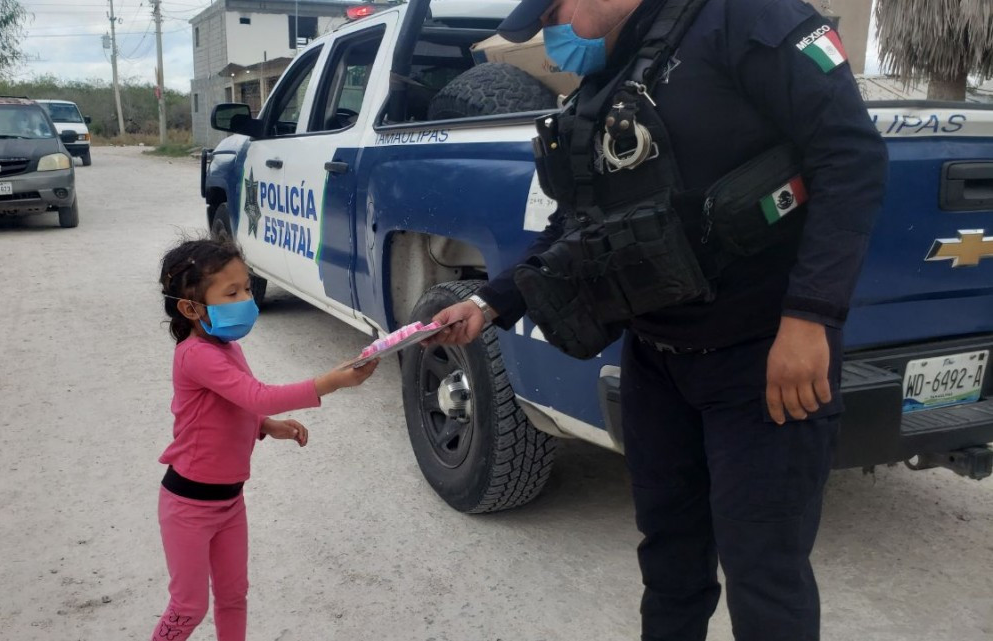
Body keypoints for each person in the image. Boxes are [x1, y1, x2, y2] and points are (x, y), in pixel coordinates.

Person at [431, 0, 887, 639]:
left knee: (765, 578)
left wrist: (811, 317)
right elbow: (579, 227)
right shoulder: (611, 77)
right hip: (657, 366)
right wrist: (490, 302)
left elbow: (851, 157)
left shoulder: (747, 17)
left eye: (555, 14)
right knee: (670, 564)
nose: (551, 36)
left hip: (760, 363)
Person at [152, 238, 379, 641]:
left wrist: (264, 424)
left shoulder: (226, 346)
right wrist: (330, 382)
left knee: (234, 595)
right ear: (190, 308)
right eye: (232, 292)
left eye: (246, 287)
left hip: (228, 502)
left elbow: (239, 402)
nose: (247, 298)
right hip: (189, 504)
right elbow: (256, 394)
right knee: (189, 607)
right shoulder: (196, 355)